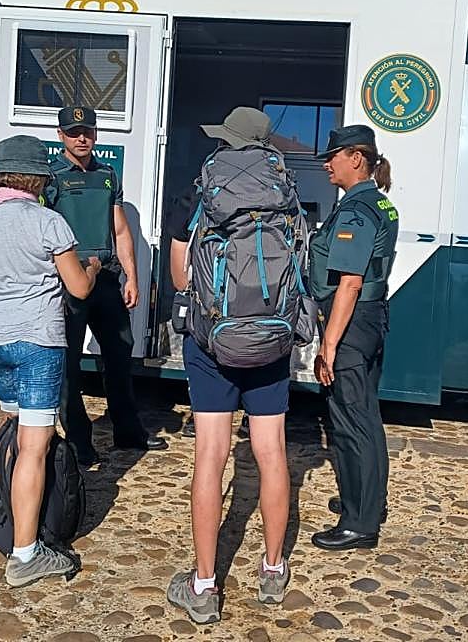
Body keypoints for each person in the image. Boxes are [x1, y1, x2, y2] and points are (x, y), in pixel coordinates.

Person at [165, 107, 293, 624]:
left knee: (211, 456)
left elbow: (179, 278)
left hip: (212, 342)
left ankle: (203, 585)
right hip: (270, 339)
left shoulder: (199, 192)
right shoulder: (283, 197)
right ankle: (272, 570)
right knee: (272, 453)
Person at [0, 134, 102, 586]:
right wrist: (95, 268)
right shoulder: (49, 222)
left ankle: (11, 513)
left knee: (17, 431)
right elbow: (78, 287)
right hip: (36, 341)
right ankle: (25, 555)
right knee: (35, 446)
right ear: (38, 179)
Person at [46, 106, 167, 462]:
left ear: (96, 134)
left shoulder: (108, 174)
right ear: (61, 136)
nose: (81, 138)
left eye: (87, 131)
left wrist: (131, 276)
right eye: (73, 132)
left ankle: (128, 433)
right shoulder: (51, 178)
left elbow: (120, 228)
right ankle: (80, 444)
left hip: (106, 276)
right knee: (67, 363)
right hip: (68, 278)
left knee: (119, 355)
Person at [308, 125, 398, 551]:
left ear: (356, 158)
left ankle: (359, 523)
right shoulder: (380, 203)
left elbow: (349, 283)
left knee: (348, 421)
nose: (327, 164)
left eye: (333, 156)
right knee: (366, 415)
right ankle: (365, 500)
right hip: (371, 319)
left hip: (351, 320)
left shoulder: (356, 210)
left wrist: (328, 345)